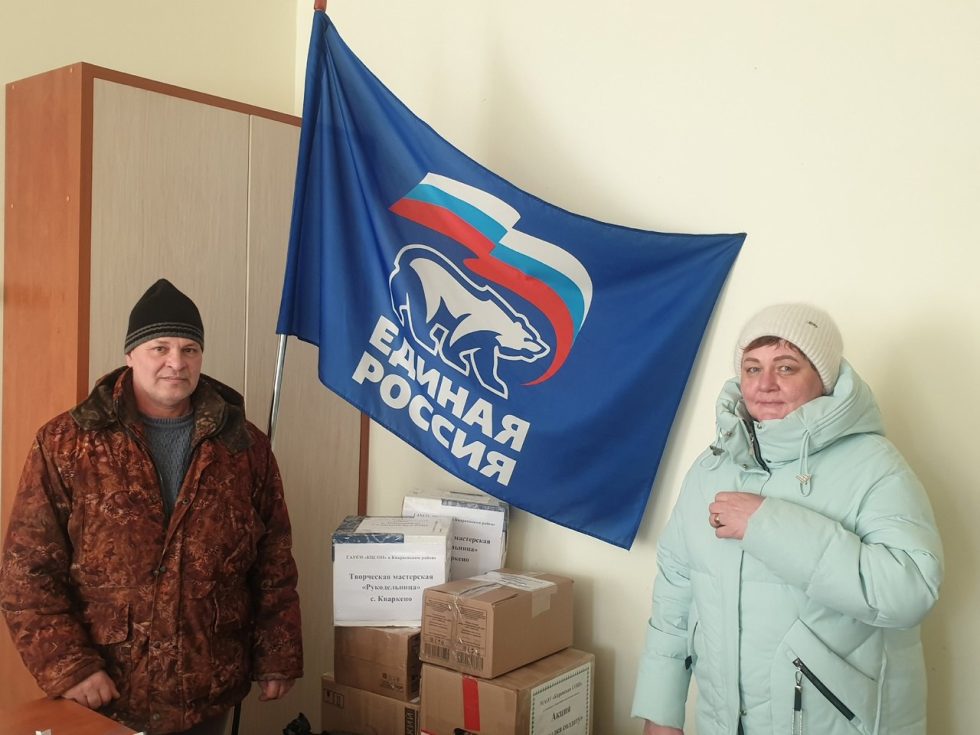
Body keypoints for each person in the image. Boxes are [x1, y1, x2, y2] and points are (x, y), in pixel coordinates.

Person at [0, 279, 303, 735]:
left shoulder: (243, 446)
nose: (176, 362)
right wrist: (70, 667)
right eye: (159, 347)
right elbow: (27, 571)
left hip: (208, 688)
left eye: (189, 349)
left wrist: (277, 654)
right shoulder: (67, 443)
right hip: (104, 693)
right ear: (130, 354)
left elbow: (273, 561)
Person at [632, 303, 943, 735]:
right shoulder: (710, 468)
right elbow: (675, 596)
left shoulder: (875, 466)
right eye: (752, 368)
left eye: (786, 367)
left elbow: (910, 592)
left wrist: (766, 525)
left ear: (823, 378)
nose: (765, 385)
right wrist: (661, 711)